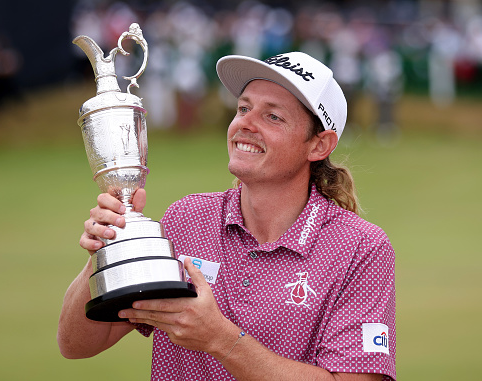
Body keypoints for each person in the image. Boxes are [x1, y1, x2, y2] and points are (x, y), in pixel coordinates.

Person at [57, 51, 396, 381]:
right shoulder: (186, 220)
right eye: (244, 108)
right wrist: (108, 250)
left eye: (272, 116)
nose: (244, 124)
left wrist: (221, 339)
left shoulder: (361, 248)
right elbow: (76, 345)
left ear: (319, 145)